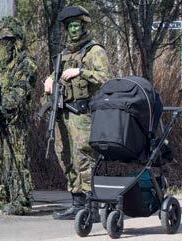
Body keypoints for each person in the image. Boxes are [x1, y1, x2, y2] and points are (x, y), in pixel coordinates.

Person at [43, 6, 111, 220]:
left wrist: (81, 71)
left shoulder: (94, 50)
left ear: (83, 26)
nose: (73, 30)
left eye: (76, 25)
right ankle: (77, 203)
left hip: (83, 115)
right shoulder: (63, 55)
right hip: (63, 114)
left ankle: (92, 207)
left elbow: (106, 79)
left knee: (83, 157)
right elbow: (55, 76)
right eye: (70, 26)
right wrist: (49, 80)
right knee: (65, 156)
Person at [0, 16, 37, 215]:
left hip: (14, 119)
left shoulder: (26, 62)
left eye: (10, 39)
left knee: (16, 158)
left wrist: (6, 103)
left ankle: (20, 198)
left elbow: (22, 88)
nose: (6, 43)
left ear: (17, 40)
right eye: (3, 40)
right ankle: (0, 195)